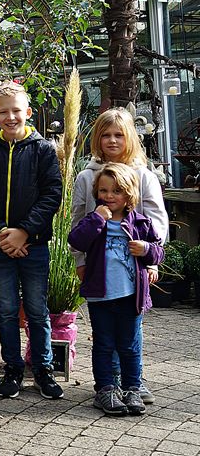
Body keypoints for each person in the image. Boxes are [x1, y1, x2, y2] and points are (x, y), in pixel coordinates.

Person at [0, 81, 64, 400]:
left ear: (27, 112)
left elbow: (52, 194)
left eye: (16, 111)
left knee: (37, 310)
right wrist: (1, 232)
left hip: (34, 245)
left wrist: (24, 230)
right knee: (8, 310)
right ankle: (11, 369)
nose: (11, 117)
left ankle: (43, 369)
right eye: (3, 112)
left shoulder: (43, 150)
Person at [71, 108, 168, 405]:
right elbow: (77, 222)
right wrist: (80, 261)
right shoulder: (87, 177)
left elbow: (156, 222)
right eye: (106, 135)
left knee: (129, 333)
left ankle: (132, 383)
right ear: (96, 139)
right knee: (105, 332)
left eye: (119, 135)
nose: (112, 141)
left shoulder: (143, 175)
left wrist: (150, 259)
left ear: (130, 139)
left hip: (132, 269)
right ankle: (108, 386)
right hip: (98, 265)